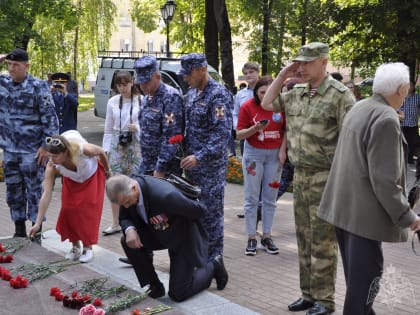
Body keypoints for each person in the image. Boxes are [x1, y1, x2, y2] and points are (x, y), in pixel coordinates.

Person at [318, 62, 420, 315]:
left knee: (359, 285)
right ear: (401, 89)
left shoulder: (361, 106)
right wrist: (408, 217)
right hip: (364, 218)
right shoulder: (385, 118)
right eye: (407, 89)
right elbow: (385, 180)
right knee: (363, 290)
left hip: (345, 211)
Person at [262, 42, 355, 315]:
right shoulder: (297, 93)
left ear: (324, 62)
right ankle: (308, 294)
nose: (301, 67)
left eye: (307, 62)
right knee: (304, 238)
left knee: (323, 241)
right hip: (301, 177)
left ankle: (325, 300)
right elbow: (267, 102)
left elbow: (351, 142)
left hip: (326, 178)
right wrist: (283, 74)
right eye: (299, 62)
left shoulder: (340, 96)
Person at [105, 174, 229, 301]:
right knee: (128, 241)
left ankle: (214, 265)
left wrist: (175, 222)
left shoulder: (166, 195)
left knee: (178, 293)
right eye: (122, 204)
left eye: (127, 202)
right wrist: (129, 230)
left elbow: (199, 210)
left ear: (134, 188)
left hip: (182, 237)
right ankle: (154, 286)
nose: (126, 206)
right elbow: (124, 217)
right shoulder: (126, 192)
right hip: (158, 231)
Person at [179, 53, 233, 262]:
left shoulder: (218, 95)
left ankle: (214, 262)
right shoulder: (192, 93)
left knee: (211, 216)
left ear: (202, 69)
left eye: (189, 73)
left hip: (210, 168)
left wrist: (199, 157)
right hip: (192, 168)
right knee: (195, 213)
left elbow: (222, 135)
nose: (186, 78)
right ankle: (199, 256)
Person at [0, 48, 59, 238]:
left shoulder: (38, 86)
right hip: (10, 150)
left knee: (34, 191)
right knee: (13, 191)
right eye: (9, 64)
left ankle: (36, 230)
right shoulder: (3, 83)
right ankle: (18, 230)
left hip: (33, 151)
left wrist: (46, 147)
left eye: (16, 65)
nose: (11, 69)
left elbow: (50, 119)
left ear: (27, 66)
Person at [29, 130, 110, 263]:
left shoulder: (83, 150)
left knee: (87, 210)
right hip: (72, 180)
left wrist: (108, 171)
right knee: (68, 210)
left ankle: (88, 248)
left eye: (55, 156)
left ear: (65, 153)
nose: (52, 160)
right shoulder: (52, 165)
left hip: (91, 175)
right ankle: (75, 246)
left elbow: (101, 151)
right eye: (50, 156)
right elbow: (46, 193)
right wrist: (37, 223)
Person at [236, 76, 287, 256]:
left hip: (274, 155)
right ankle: (251, 237)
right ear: (256, 92)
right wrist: (255, 129)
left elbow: (286, 129)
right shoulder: (248, 106)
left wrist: (283, 150)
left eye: (270, 92)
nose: (266, 96)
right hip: (254, 155)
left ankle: (266, 236)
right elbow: (239, 134)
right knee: (251, 198)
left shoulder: (281, 105)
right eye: (262, 92)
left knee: (270, 199)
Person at [102, 71, 141, 236]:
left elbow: (147, 124)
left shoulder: (141, 100)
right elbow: (108, 129)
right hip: (117, 145)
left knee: (134, 184)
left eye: (125, 84)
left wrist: (137, 128)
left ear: (132, 82)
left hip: (135, 145)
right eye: (119, 85)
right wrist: (106, 150)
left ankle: (137, 221)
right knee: (116, 185)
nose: (122, 88)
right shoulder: (112, 101)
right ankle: (116, 222)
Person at [135, 55, 184, 177]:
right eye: (140, 82)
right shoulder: (147, 97)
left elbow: (172, 137)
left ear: (158, 76)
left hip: (164, 168)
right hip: (147, 164)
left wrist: (160, 168)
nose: (143, 86)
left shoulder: (170, 97)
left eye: (146, 81)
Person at [233, 62, 260, 156]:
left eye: (251, 72)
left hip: (263, 132)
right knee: (249, 167)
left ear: (258, 72)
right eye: (245, 73)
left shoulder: (267, 90)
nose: (248, 75)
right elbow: (235, 113)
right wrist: (238, 127)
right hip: (245, 134)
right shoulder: (240, 94)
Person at [398, 82, 420, 164]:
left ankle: (409, 159)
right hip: (401, 123)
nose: (410, 87)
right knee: (400, 142)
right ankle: (400, 159)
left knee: (412, 142)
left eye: (411, 85)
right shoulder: (401, 97)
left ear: (414, 86)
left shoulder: (418, 97)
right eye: (408, 85)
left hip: (413, 124)